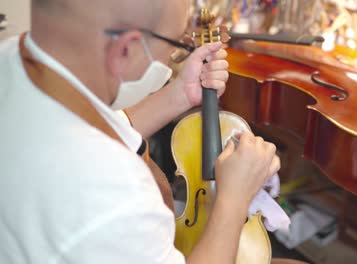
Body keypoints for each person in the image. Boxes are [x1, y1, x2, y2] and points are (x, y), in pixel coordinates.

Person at [0, 0, 310, 263]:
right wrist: (233, 198)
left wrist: (179, 95)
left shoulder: (13, 57)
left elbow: (94, 127)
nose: (173, 53)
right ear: (125, 49)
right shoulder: (113, 191)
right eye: (176, 43)